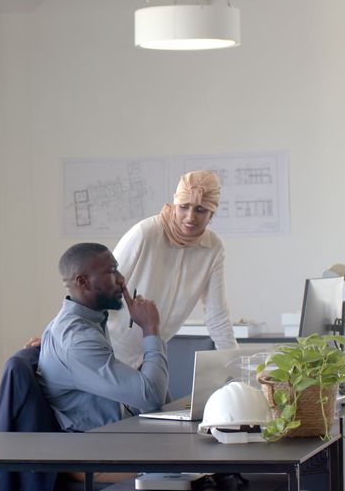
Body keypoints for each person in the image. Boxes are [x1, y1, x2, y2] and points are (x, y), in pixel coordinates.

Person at [107, 170, 238, 370]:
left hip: (151, 355)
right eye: (184, 207)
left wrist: (235, 368)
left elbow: (217, 316)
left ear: (212, 213)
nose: (190, 217)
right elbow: (97, 291)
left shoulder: (213, 248)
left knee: (168, 403)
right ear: (175, 204)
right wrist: (56, 337)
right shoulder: (145, 233)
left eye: (201, 210)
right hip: (109, 352)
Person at [38, 242, 168, 433]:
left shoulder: (89, 321)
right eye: (112, 271)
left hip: (114, 436)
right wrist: (150, 328)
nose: (122, 279)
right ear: (83, 281)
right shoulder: (77, 340)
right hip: (97, 449)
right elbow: (151, 397)